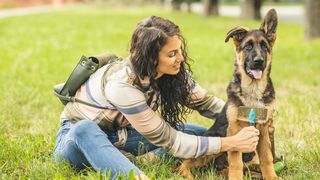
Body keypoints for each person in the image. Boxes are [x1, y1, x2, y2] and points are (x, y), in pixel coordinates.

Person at [53, 16, 259, 180]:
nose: (180, 58)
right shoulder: (121, 85)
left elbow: (208, 104)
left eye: (180, 51)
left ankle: (136, 158)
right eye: (172, 54)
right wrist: (231, 143)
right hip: (78, 142)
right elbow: (171, 141)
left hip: (124, 136)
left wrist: (252, 115)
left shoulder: (173, 73)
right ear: (151, 58)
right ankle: (133, 174)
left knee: (203, 134)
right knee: (85, 129)